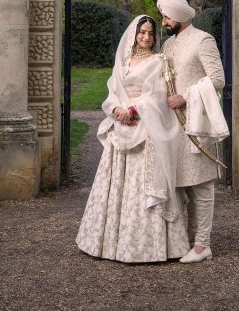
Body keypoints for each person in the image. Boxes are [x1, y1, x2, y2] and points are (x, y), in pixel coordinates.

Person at [76, 15, 191, 263]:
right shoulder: (124, 61)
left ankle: (150, 247)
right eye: (142, 32)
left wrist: (133, 111)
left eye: (151, 33)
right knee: (116, 184)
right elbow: (113, 90)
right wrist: (117, 110)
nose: (147, 37)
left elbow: (158, 95)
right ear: (134, 34)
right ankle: (109, 243)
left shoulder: (159, 61)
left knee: (144, 184)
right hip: (121, 127)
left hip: (145, 127)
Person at [157, 0, 227, 263]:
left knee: (201, 185)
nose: (164, 21)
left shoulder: (203, 40)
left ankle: (202, 245)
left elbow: (218, 79)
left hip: (196, 122)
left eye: (167, 16)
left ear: (181, 17)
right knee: (179, 185)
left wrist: (186, 96)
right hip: (171, 125)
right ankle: (184, 239)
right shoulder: (167, 44)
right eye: (164, 16)